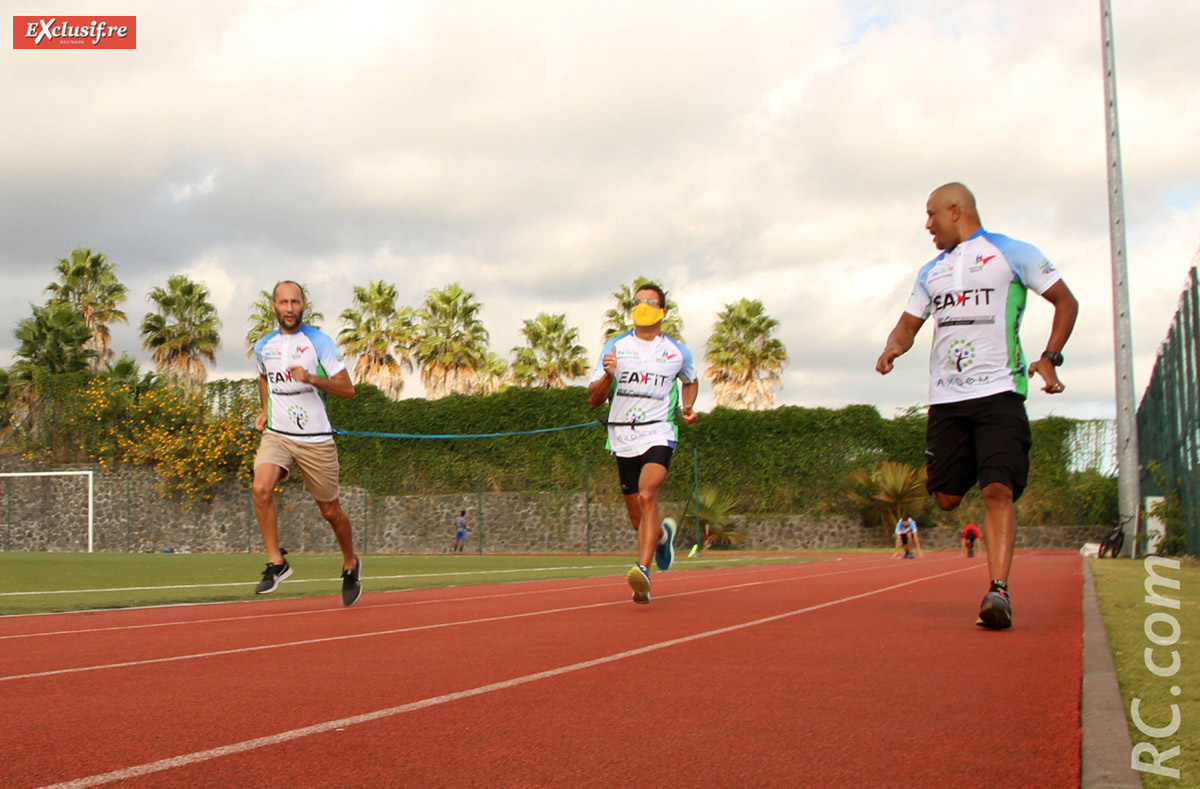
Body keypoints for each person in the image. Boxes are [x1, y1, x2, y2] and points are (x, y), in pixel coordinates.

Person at [876, 183, 1078, 630]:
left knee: (997, 491)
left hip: (1000, 393)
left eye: (931, 215)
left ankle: (998, 592)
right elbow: (907, 325)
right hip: (947, 400)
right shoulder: (931, 271)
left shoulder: (1012, 253)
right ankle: (975, 466)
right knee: (946, 499)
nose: (927, 225)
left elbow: (1066, 301)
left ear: (955, 210)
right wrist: (893, 347)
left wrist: (1050, 356)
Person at [251, 280, 363, 606]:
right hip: (279, 435)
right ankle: (277, 563)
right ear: (274, 306)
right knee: (260, 488)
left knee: (330, 511)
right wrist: (265, 410)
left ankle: (350, 563)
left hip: (316, 440)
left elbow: (347, 389)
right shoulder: (264, 346)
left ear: (303, 305)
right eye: (284, 302)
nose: (290, 308)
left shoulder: (318, 341)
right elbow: (263, 377)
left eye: (295, 302)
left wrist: (311, 377)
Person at [588, 282, 699, 604]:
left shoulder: (678, 352)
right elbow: (595, 400)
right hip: (622, 436)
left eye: (650, 302)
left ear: (662, 311)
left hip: (659, 432)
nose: (642, 306)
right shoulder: (615, 347)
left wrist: (688, 407)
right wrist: (608, 375)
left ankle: (643, 572)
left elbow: (690, 380)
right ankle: (663, 536)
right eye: (637, 302)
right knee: (638, 519)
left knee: (649, 494)